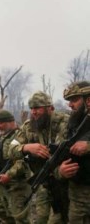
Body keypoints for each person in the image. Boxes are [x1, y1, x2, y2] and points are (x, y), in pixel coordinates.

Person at [8, 91, 68, 224]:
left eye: (38, 108)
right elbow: (10, 150)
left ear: (50, 108)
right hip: (43, 181)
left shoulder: (63, 123)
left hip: (64, 182)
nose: (34, 112)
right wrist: (26, 148)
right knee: (40, 219)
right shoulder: (28, 127)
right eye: (32, 108)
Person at [0, 110, 32, 224]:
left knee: (20, 217)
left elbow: (23, 161)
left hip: (17, 183)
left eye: (1, 123)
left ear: (11, 122)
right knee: (0, 210)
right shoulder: (0, 137)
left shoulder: (19, 137)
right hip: (2, 182)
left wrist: (9, 175)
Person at [56, 81, 90, 223]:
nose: (70, 105)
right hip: (79, 190)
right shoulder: (71, 123)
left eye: (75, 100)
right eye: (69, 101)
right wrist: (61, 171)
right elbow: (58, 154)